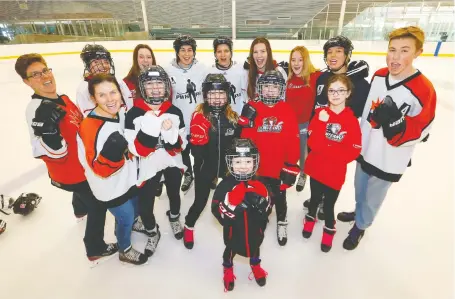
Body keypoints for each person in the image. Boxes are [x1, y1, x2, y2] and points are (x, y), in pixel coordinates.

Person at [342, 26, 436, 250]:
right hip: (366, 149)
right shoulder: (379, 75)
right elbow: (367, 113)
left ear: (418, 52)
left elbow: (424, 129)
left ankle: (361, 226)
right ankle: (358, 211)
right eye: (392, 50)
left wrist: (399, 126)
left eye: (404, 51)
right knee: (359, 187)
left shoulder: (424, 89)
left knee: (374, 196)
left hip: (389, 157)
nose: (395, 57)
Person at [15, 53, 117, 262]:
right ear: (26, 82)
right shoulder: (36, 110)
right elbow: (41, 150)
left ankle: (79, 210)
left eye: (45, 70)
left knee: (81, 195)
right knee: (98, 204)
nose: (44, 76)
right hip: (71, 171)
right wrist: (51, 138)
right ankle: (94, 247)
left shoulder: (60, 95)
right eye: (35, 75)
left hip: (79, 164)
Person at [77, 74, 147, 265]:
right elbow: (98, 169)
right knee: (125, 218)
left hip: (127, 179)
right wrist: (111, 155)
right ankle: (124, 249)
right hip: (110, 188)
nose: (110, 99)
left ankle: (133, 222)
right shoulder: (90, 127)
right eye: (102, 95)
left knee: (133, 210)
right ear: (93, 99)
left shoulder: (120, 113)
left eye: (113, 92)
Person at [303, 35, 370, 220]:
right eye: (329, 52)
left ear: (347, 55)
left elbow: (364, 116)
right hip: (317, 135)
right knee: (317, 170)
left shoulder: (360, 84)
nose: (333, 55)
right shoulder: (323, 77)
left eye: (338, 51)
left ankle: (326, 201)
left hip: (337, 139)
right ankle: (316, 197)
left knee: (332, 173)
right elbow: (316, 104)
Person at [124, 65, 186, 256]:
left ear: (166, 86)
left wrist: (172, 136)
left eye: (159, 83)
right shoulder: (134, 114)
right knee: (145, 204)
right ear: (143, 88)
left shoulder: (175, 111)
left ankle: (174, 217)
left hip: (172, 163)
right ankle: (152, 231)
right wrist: (150, 130)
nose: (156, 88)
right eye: (150, 84)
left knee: (174, 193)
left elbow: (180, 146)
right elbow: (136, 149)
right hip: (148, 166)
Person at [301, 74, 361, 252]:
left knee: (328, 205)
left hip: (335, 173)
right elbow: (312, 143)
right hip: (317, 168)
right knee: (314, 200)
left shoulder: (351, 121)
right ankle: (310, 219)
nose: (335, 94)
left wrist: (329, 152)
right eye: (331, 91)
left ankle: (329, 228)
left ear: (348, 93)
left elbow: (354, 149)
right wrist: (321, 124)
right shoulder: (320, 115)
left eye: (340, 90)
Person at [240, 70, 300, 246]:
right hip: (258, 167)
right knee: (257, 195)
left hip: (278, 168)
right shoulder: (253, 107)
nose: (270, 90)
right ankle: (261, 216)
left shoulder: (287, 110)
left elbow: (293, 141)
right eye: (266, 86)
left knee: (280, 198)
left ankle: (281, 220)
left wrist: (290, 165)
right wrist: (245, 123)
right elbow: (245, 139)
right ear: (260, 88)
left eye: (275, 86)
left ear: (281, 89)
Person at [183, 74, 239, 249]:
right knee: (200, 203)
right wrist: (199, 138)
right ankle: (188, 225)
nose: (216, 97)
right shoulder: (199, 116)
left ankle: (234, 229)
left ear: (227, 95)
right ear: (205, 95)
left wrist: (246, 125)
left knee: (233, 202)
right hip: (205, 168)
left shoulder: (232, 117)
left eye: (221, 93)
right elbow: (195, 153)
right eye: (212, 94)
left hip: (227, 169)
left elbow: (237, 143)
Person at [211, 138, 271, 291]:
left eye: (248, 162)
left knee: (255, 247)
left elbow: (269, 207)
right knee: (230, 250)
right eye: (238, 162)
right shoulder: (225, 185)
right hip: (234, 230)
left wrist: (263, 205)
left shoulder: (260, 183)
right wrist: (231, 205)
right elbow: (215, 208)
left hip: (255, 229)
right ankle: (228, 268)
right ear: (230, 163)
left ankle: (255, 264)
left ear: (254, 162)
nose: (243, 167)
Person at [164, 35, 208, 193]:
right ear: (177, 52)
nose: (186, 54)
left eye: (190, 50)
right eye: (183, 50)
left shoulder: (203, 69)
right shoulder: (168, 70)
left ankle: (202, 174)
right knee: (183, 152)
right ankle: (188, 173)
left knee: (200, 152)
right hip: (179, 122)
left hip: (198, 121)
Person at [285, 46, 321, 193]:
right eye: (293, 60)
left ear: (306, 61)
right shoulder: (289, 79)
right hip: (289, 124)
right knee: (288, 152)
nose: (296, 63)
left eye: (300, 59)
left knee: (302, 154)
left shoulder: (315, 77)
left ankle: (303, 174)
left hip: (305, 124)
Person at [76, 44, 133, 117]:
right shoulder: (84, 89)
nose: (103, 66)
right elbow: (90, 117)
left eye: (106, 62)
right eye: (96, 62)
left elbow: (129, 105)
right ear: (88, 66)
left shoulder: (118, 81)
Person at [209, 36, 247, 115]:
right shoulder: (209, 72)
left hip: (237, 118)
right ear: (215, 54)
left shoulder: (241, 70)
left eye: (226, 51)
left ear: (231, 53)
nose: (223, 55)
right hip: (217, 120)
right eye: (219, 51)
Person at [244, 37, 287, 102]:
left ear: (268, 53)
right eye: (255, 52)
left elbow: (283, 99)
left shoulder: (279, 72)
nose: (259, 55)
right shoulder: (247, 74)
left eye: (263, 51)